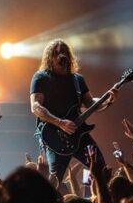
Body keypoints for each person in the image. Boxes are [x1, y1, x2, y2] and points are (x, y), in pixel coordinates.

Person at [30, 39, 117, 181]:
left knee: (101, 169)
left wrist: (108, 100)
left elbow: (90, 103)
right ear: (49, 57)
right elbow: (35, 107)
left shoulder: (77, 80)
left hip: (78, 133)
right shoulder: (41, 77)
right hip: (54, 135)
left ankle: (93, 195)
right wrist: (60, 123)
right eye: (56, 53)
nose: (61, 56)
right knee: (54, 180)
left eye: (64, 52)